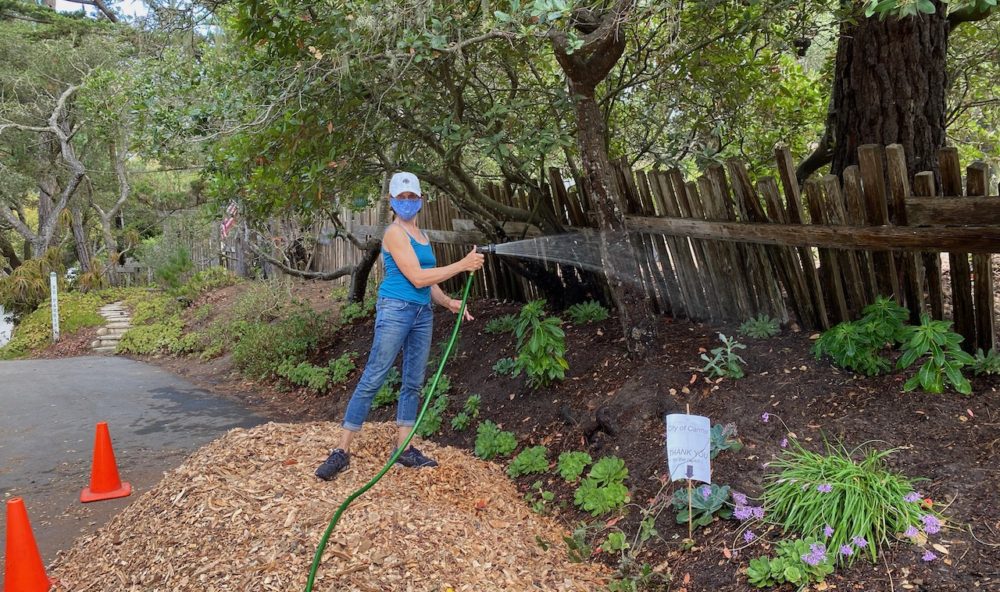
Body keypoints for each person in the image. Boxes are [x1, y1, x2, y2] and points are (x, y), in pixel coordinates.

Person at [315, 172, 485, 481]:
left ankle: (404, 449)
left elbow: (428, 280)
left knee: (413, 381)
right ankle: (341, 451)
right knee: (374, 376)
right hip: (395, 309)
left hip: (421, 313)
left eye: (412, 197)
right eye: (401, 198)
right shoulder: (394, 233)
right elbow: (416, 278)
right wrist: (462, 265)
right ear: (392, 201)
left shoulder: (422, 236)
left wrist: (448, 302)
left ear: (421, 200)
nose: (407, 202)